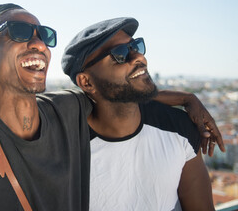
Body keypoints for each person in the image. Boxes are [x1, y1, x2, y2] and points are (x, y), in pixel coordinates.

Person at [0, 4, 222, 211]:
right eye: (18, 31)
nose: (38, 43)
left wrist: (187, 99)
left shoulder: (67, 109)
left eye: (43, 34)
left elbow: (118, 90)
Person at [62, 17, 216, 210]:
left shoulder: (178, 127)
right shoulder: (69, 151)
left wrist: (188, 98)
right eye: (120, 54)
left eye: (136, 47)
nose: (139, 58)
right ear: (87, 82)